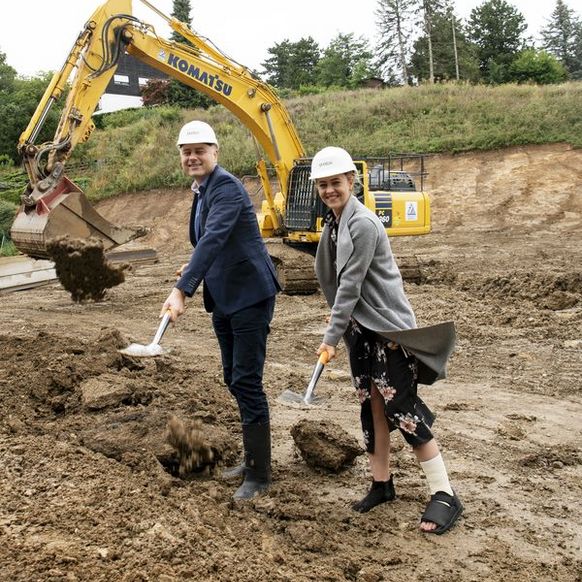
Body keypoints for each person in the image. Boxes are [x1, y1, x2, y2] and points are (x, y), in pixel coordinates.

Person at [311, 146, 463, 534]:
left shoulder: (362, 224)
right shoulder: (334, 221)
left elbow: (350, 285)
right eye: (323, 184)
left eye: (336, 182)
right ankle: (382, 484)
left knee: (402, 409)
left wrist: (330, 336)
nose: (330, 190)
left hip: (388, 332)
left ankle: (445, 493)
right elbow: (341, 287)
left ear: (351, 182)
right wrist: (342, 325)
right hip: (362, 332)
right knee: (373, 407)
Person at [161, 120, 281, 500]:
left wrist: (182, 290)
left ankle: (259, 473)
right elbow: (211, 242)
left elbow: (213, 238)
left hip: (249, 295)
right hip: (226, 294)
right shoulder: (203, 190)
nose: (193, 156)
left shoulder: (226, 186)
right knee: (234, 378)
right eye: (186, 151)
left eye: (200, 150)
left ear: (216, 152)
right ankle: (251, 461)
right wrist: (192, 266)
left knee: (247, 381)